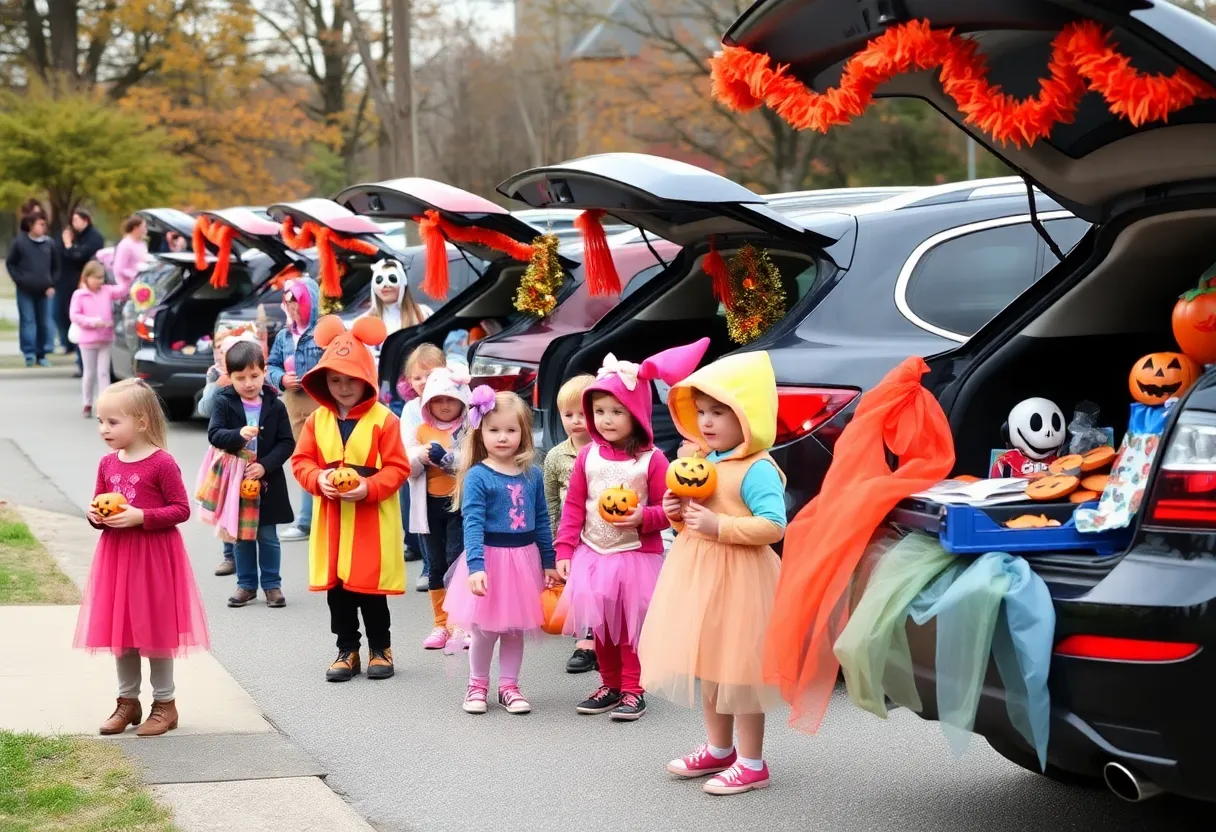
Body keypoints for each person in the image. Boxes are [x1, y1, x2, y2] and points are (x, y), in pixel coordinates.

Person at [639, 352, 787, 796]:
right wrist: (676, 516)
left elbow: (774, 525)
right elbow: (692, 518)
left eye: (719, 412)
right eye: (701, 411)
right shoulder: (703, 461)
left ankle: (752, 761)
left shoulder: (756, 468)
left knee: (739, 673)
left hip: (742, 582)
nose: (706, 421)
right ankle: (719, 749)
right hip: (698, 578)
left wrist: (719, 526)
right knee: (708, 666)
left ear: (748, 416)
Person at [554, 340, 709, 721]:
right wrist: (563, 549)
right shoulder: (587, 455)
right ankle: (609, 684)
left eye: (616, 411)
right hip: (593, 553)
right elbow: (574, 505)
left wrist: (643, 518)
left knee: (629, 629)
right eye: (599, 411)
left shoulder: (652, 460)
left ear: (636, 414)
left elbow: (671, 512)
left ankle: (633, 690)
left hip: (635, 557)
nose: (605, 420)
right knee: (602, 627)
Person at [73, 379, 210, 737]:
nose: (104, 429)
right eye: (101, 422)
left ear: (143, 422)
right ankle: (127, 701)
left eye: (113, 422)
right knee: (124, 633)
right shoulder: (107, 464)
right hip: (117, 558)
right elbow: (98, 506)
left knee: (155, 633)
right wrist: (96, 517)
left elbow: (181, 509)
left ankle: (165, 704)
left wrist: (141, 516)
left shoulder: (161, 463)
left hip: (153, 560)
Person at [291, 315, 409, 682]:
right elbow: (301, 462)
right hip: (333, 525)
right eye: (335, 379)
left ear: (366, 379)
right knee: (338, 592)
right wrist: (319, 478)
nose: (343, 387)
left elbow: (398, 468)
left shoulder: (384, 420)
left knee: (371, 590)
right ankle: (347, 649)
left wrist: (368, 487)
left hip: (371, 522)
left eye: (351, 380)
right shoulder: (316, 420)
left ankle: (380, 649)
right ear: (324, 381)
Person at [443, 390, 558, 714]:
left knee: (514, 629)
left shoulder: (532, 474)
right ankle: (477, 685)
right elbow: (473, 524)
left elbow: (541, 521)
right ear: (481, 432)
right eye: (494, 430)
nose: (503, 437)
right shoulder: (479, 475)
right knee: (484, 629)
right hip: (489, 560)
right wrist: (477, 566)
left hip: (523, 561)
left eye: (511, 430)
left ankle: (509, 686)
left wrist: (548, 561)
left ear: (524, 433)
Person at [205, 341, 295, 608]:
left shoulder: (275, 405)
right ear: (229, 377)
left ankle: (272, 585)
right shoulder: (224, 401)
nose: (248, 383)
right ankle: (246, 585)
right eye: (240, 378)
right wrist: (237, 435)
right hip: (236, 480)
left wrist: (265, 465)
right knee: (242, 537)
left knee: (267, 535)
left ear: (264, 372)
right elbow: (215, 434)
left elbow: (286, 442)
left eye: (254, 376)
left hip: (267, 480)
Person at [406, 366, 471, 651]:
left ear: (461, 401)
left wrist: (447, 459)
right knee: (436, 564)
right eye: (437, 399)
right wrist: (419, 456)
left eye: (450, 399)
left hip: (459, 505)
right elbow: (406, 466)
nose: (444, 405)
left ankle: (460, 624)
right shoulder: (420, 430)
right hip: (429, 506)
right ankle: (441, 623)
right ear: (428, 403)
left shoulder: (470, 428)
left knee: (457, 563)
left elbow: (472, 463)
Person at [542, 373, 599, 674]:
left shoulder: (609, 451)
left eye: (583, 413)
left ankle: (609, 639)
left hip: (606, 532)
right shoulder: (556, 456)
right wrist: (554, 544)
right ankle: (586, 640)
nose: (576, 420)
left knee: (604, 587)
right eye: (568, 414)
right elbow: (550, 501)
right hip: (572, 535)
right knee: (581, 587)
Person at [198, 328, 259, 576]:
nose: (223, 354)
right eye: (220, 350)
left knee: (250, 507)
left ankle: (250, 557)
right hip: (226, 455)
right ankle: (229, 555)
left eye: (229, 349)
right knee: (227, 503)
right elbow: (204, 409)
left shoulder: (252, 379)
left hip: (254, 456)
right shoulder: (215, 377)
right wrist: (216, 385)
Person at [267, 278, 323, 543]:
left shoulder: (322, 331)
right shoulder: (283, 336)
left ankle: (319, 517)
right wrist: (281, 379)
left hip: (320, 400)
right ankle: (305, 520)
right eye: (287, 304)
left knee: (326, 456)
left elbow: (336, 362)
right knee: (304, 457)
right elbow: (271, 366)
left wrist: (316, 375)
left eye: (296, 303)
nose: (291, 309)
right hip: (293, 403)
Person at [399, 343, 448, 589]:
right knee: (424, 521)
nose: (423, 381)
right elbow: (406, 446)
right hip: (421, 474)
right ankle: (429, 566)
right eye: (417, 377)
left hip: (450, 476)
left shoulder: (453, 401)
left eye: (429, 375)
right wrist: (421, 454)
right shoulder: (411, 409)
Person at [69, 261, 122, 418]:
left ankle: (104, 404)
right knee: (89, 372)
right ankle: (87, 402)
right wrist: (92, 322)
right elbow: (75, 315)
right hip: (88, 339)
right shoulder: (79, 295)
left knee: (104, 372)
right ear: (86, 278)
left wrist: (124, 272)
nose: (100, 281)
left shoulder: (107, 291)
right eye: (96, 278)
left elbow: (123, 290)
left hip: (105, 338)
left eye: (102, 278)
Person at [6, 213, 60, 367]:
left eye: (44, 224)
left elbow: (56, 268)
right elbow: (11, 264)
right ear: (30, 225)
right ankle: (29, 353)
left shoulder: (49, 244)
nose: (42, 227)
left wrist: (52, 284)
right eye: (39, 224)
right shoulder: (20, 243)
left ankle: (42, 353)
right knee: (28, 322)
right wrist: (19, 280)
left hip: (45, 291)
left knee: (45, 322)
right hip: (25, 290)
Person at [59, 209, 106, 374]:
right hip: (71, 285)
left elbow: (78, 256)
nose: (74, 224)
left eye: (76, 220)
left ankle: (85, 365)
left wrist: (69, 245)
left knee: (85, 323)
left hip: (86, 285)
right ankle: (81, 362)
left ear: (85, 220)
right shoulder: (77, 236)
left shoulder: (93, 238)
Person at [362, 257, 432, 361]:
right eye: (379, 280)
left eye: (392, 279)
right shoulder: (366, 320)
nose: (385, 285)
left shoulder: (423, 313)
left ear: (403, 283)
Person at [111, 215, 149, 291]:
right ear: (136, 228)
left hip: (140, 284)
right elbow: (119, 269)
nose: (146, 230)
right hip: (127, 287)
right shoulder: (125, 244)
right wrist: (135, 274)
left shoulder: (142, 243)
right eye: (144, 227)